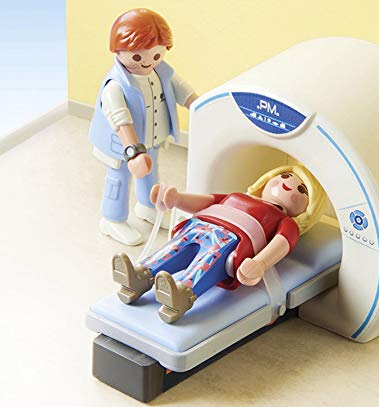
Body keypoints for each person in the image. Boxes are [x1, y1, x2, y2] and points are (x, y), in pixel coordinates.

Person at [112, 164, 327, 323]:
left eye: (302, 190)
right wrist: (177, 199)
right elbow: (206, 201)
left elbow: (281, 244)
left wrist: (260, 263)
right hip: (198, 226)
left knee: (210, 258)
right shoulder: (236, 196)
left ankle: (183, 293)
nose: (287, 185)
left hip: (231, 240)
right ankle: (141, 275)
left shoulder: (286, 222)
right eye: (285, 176)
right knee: (173, 248)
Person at [89, 9, 198, 246]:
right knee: (118, 178)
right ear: (118, 50)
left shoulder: (161, 72)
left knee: (151, 171)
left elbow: (182, 90)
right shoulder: (115, 85)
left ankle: (148, 206)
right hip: (122, 146)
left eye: (156, 55)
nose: (148, 62)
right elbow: (120, 119)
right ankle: (112, 219)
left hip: (151, 138)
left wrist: (200, 106)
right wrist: (133, 152)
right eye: (138, 57)